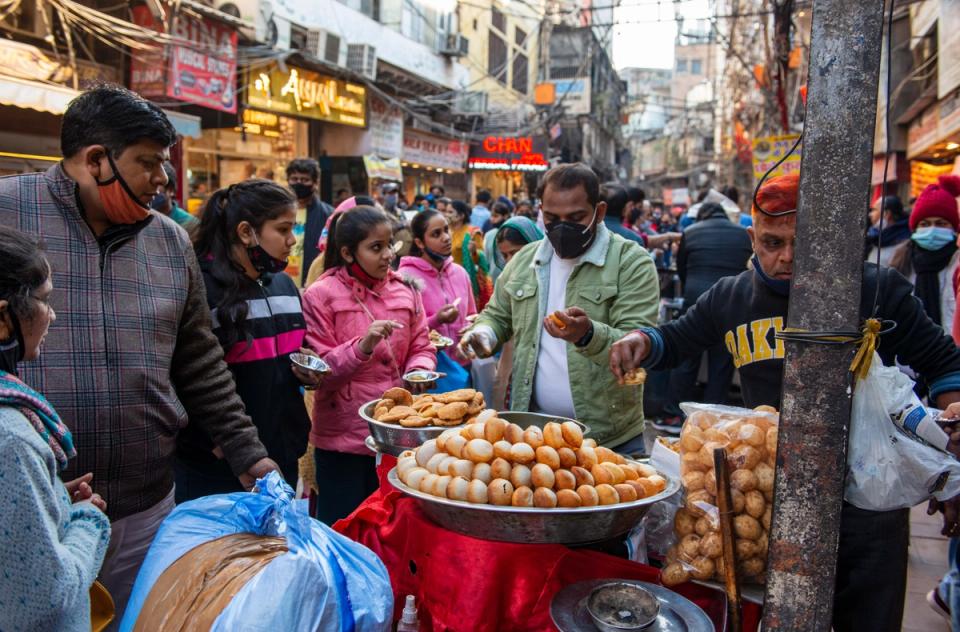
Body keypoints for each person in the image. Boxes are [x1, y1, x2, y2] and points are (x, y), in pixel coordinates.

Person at [609, 172, 960, 632]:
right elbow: (675, 340)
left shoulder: (878, 290)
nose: (787, 257)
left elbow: (944, 363)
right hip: (769, 499)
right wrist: (640, 340)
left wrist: (952, 458)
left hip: (872, 497)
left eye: (803, 243)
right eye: (772, 242)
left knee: (869, 616)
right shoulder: (731, 297)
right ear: (752, 237)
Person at [0, 85, 277, 620]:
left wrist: (249, 454)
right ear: (96, 161)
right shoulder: (8, 215)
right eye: (149, 163)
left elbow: (198, 359)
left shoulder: (170, 241)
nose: (164, 179)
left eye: (165, 163)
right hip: (31, 511)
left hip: (147, 505)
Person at [459, 163, 660, 452]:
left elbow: (637, 344)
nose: (562, 227)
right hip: (531, 435)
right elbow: (498, 314)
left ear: (599, 212)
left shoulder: (631, 262)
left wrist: (588, 335)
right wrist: (484, 334)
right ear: (541, 210)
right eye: (552, 218)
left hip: (607, 439)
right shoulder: (525, 260)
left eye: (576, 217)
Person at [175, 180, 320, 502]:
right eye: (282, 229)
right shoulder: (202, 290)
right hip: (218, 468)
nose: (291, 241)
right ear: (246, 232)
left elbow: (287, 353)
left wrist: (305, 369)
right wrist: (218, 447)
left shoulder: (283, 285)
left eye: (292, 228)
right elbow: (184, 376)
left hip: (281, 454)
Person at [0, 226, 111, 632]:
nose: (52, 314)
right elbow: (46, 596)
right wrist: (86, 521)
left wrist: (49, 502)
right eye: (44, 300)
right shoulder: (11, 438)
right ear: (3, 317)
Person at [302, 205, 436, 524]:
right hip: (341, 440)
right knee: (344, 528)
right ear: (348, 253)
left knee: (391, 529)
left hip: (397, 432)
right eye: (376, 248)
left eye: (389, 244)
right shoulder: (320, 295)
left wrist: (420, 368)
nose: (387, 254)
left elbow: (422, 342)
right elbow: (320, 373)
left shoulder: (404, 288)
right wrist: (362, 346)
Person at [656, 202, 753, 432]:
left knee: (686, 359)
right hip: (730, 303)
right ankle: (711, 422)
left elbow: (682, 269)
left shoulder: (690, 232)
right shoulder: (742, 235)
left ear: (701, 216)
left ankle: (673, 416)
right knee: (722, 364)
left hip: (696, 301)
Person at [398, 209, 477, 367]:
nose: (446, 238)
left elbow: (472, 314)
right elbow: (402, 333)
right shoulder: (405, 278)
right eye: (436, 234)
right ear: (420, 243)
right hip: (428, 369)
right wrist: (436, 320)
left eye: (446, 230)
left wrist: (470, 327)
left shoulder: (461, 273)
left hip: (464, 365)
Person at [888, 176, 960, 332]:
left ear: (953, 228)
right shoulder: (900, 262)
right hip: (909, 352)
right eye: (925, 224)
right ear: (915, 228)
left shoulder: (957, 264)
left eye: (941, 223)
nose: (932, 229)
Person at [488, 217, 544, 410]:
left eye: (516, 252)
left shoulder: (552, 276)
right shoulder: (506, 279)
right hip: (513, 354)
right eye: (504, 256)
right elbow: (497, 315)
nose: (511, 261)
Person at [286, 158, 334, 287]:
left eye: (305, 180)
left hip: (313, 287)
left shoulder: (328, 215)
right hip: (282, 286)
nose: (299, 183)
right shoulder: (275, 212)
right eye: (294, 179)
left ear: (315, 183)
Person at [443, 200, 492, 308]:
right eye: (446, 212)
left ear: (461, 216)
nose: (446, 215)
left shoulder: (472, 232)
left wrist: (474, 251)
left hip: (464, 279)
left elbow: (481, 258)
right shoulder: (444, 232)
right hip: (445, 277)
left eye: (450, 212)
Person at [150, 162, 198, 234]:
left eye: (155, 184)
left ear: (171, 190)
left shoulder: (190, 224)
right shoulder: (140, 220)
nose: (149, 189)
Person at [864, 195, 909, 267]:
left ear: (886, 214)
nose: (870, 214)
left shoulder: (904, 243)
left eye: (874, 210)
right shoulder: (874, 237)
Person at [483, 201, 514, 283]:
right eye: (491, 216)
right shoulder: (489, 235)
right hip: (492, 281)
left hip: (510, 279)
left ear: (505, 216)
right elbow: (486, 259)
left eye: (496, 216)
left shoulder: (512, 233)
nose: (492, 219)